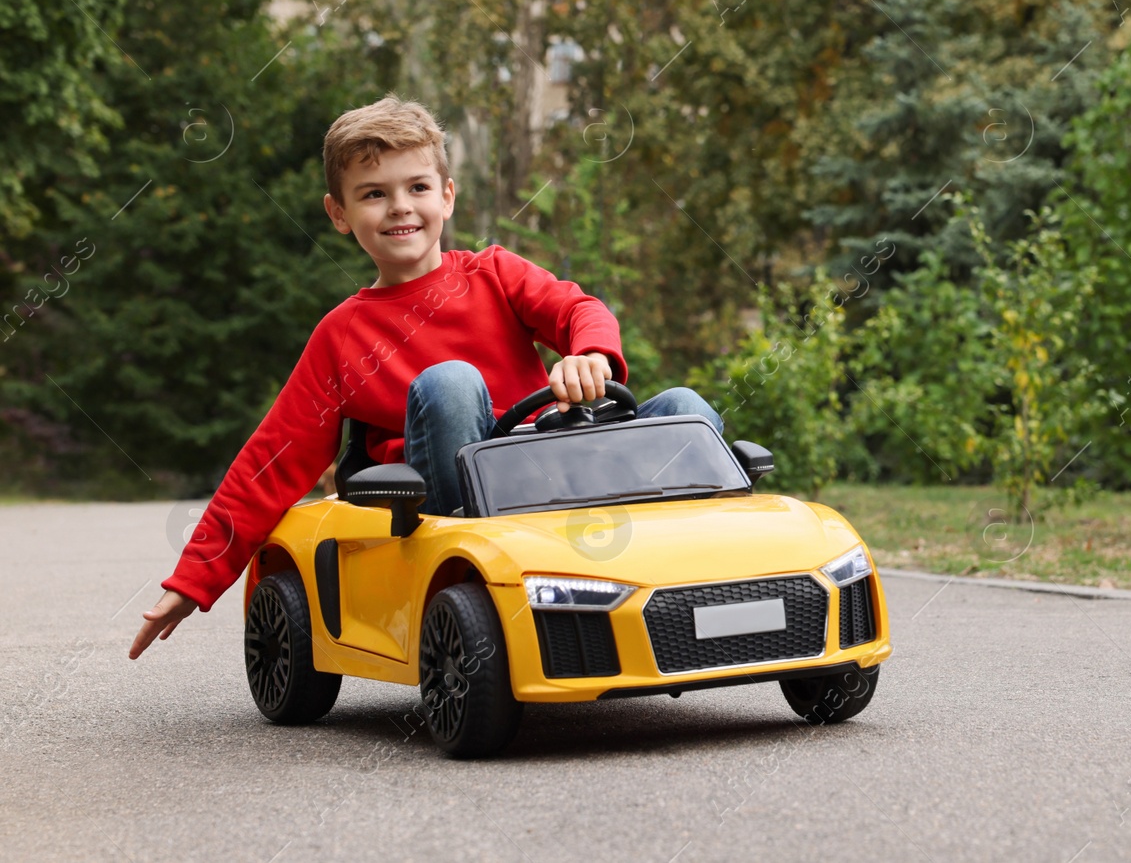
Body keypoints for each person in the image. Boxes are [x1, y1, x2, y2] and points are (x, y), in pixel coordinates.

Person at [129, 95, 720, 659]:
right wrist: (194, 581)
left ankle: (706, 576)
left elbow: (578, 310)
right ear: (339, 213)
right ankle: (487, 558)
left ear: (447, 196)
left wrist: (589, 353)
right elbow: (273, 460)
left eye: (417, 187)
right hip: (455, 512)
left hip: (558, 473)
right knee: (451, 383)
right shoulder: (341, 336)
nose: (400, 207)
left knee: (684, 408)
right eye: (373, 194)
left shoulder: (494, 273)